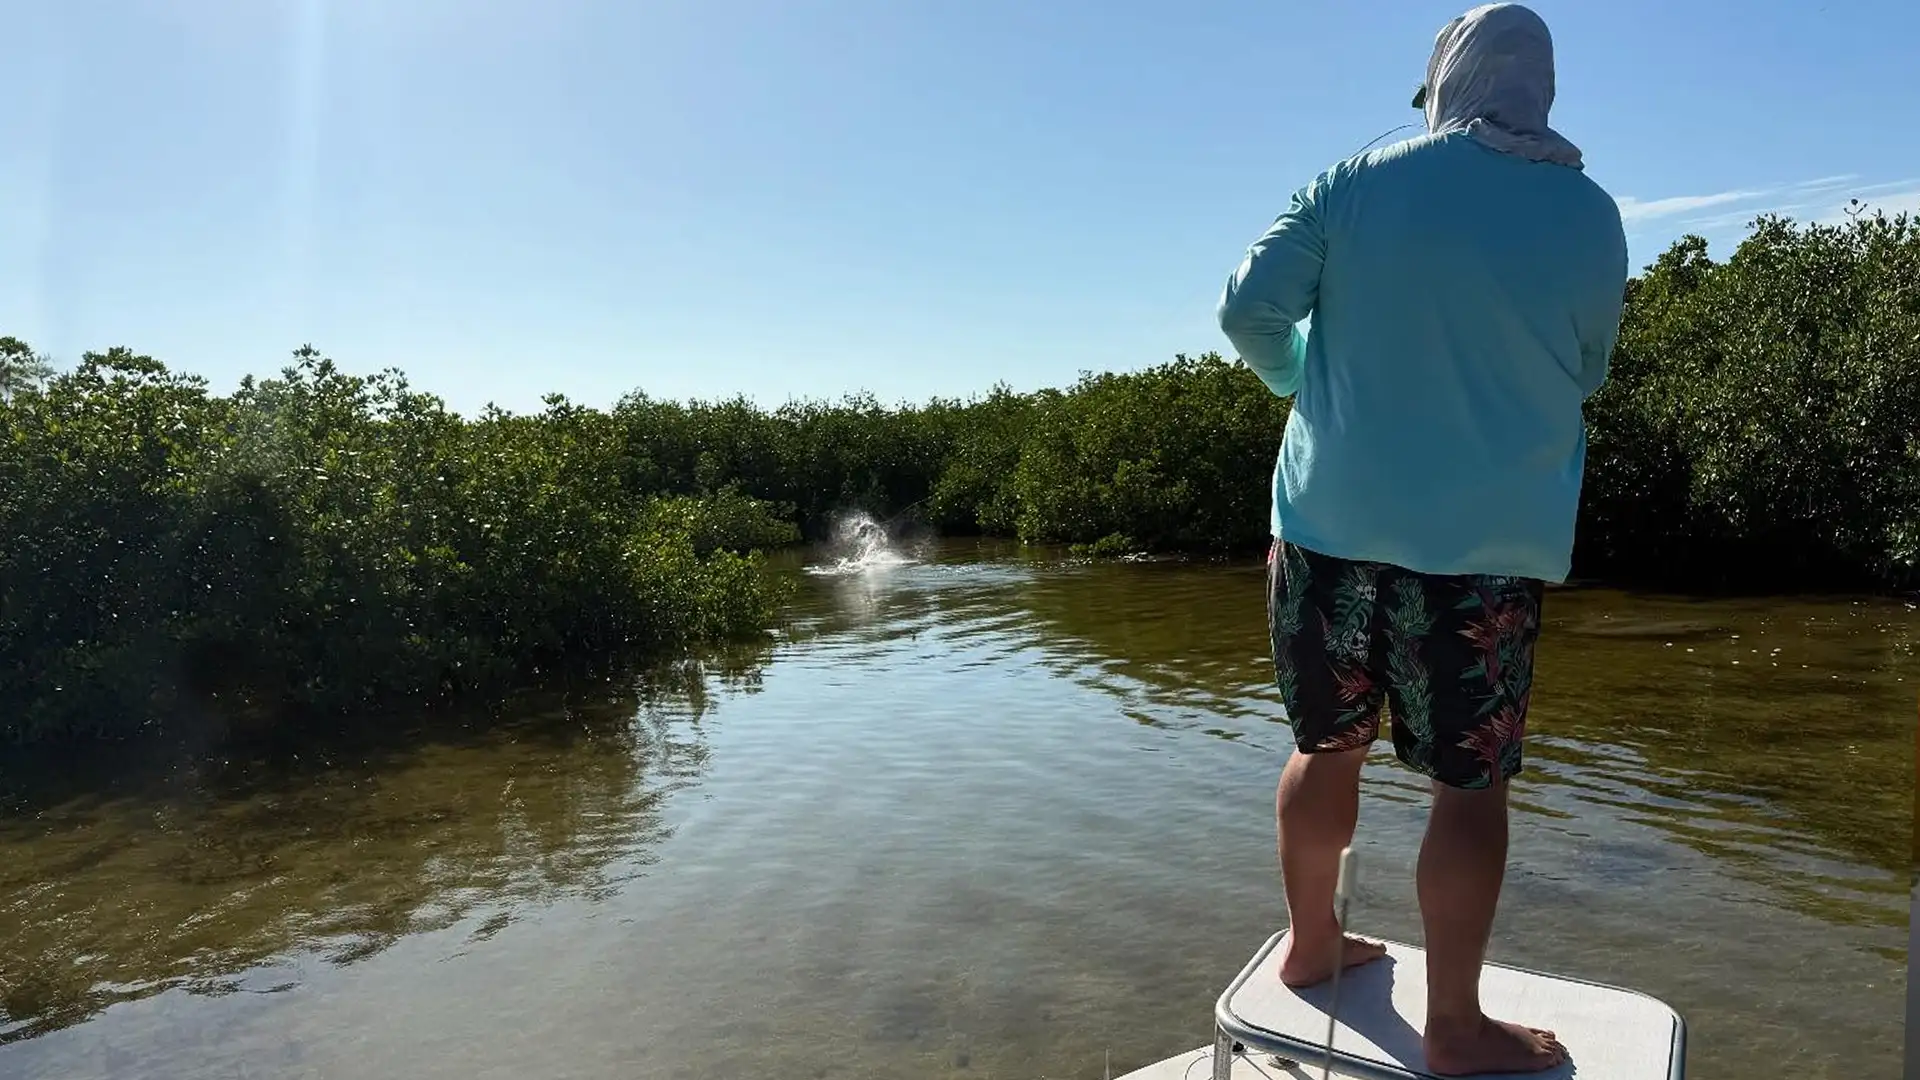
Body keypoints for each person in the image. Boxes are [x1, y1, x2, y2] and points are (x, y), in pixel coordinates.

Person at [1214, 4, 1627, 1076]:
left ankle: (1312, 946)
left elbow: (1246, 312)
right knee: (1469, 787)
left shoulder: (1356, 181)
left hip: (1325, 526)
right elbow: (1587, 371)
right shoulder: (1589, 212)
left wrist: (1309, 381)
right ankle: (1452, 1026)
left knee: (1323, 746)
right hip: (1486, 548)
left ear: (1445, 81)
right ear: (1539, 83)